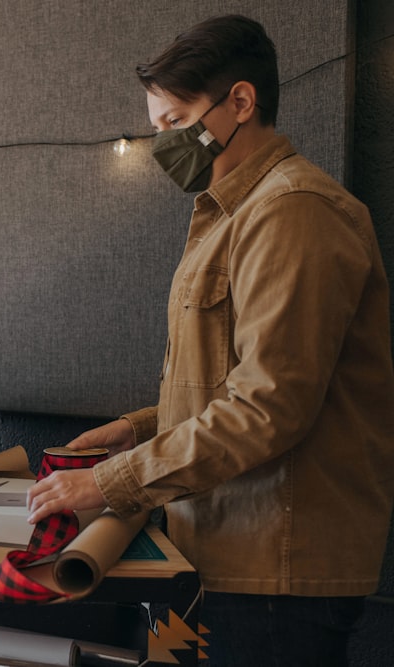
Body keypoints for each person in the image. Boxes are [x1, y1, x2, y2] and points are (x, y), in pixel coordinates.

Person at [26, 14, 394, 665]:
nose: (160, 143)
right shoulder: (234, 213)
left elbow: (268, 407)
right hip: (212, 556)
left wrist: (112, 482)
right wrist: (141, 426)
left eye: (173, 122)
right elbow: (235, 380)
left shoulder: (294, 212)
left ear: (242, 102)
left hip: (272, 576)